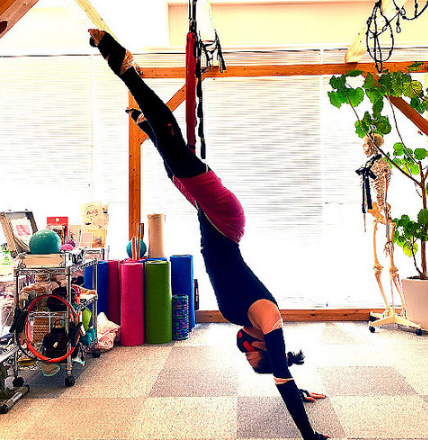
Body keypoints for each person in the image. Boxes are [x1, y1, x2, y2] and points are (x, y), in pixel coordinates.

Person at [88, 29, 329, 440]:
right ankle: (126, 69)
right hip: (225, 221)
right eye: (250, 353)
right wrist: (310, 435)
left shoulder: (250, 329)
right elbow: (282, 378)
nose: (244, 347)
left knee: (174, 168)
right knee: (176, 152)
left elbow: (284, 370)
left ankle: (147, 124)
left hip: (211, 222)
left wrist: (299, 386)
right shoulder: (268, 321)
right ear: (261, 349)